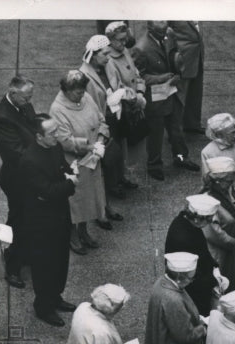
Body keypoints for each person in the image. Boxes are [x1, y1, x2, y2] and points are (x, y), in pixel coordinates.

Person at [18, 116, 78, 327]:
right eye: (52, 133)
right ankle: (43, 306)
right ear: (39, 137)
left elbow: (62, 170)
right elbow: (48, 191)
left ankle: (56, 297)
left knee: (60, 261)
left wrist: (69, 174)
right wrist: (70, 184)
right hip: (41, 224)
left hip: (59, 216)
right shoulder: (29, 161)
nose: (57, 135)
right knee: (45, 265)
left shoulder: (54, 147)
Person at [49, 69, 110, 254]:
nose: (82, 94)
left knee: (90, 200)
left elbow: (101, 119)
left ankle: (84, 231)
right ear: (67, 91)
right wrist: (91, 146)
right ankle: (73, 236)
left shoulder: (86, 98)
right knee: (75, 203)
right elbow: (65, 140)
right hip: (75, 163)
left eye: (83, 90)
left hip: (93, 159)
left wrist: (100, 139)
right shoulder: (57, 109)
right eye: (78, 92)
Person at [133, 20, 197, 180]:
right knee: (156, 133)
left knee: (176, 129)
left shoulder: (168, 33)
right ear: (150, 29)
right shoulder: (140, 49)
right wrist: (162, 78)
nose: (164, 35)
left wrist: (177, 64)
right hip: (156, 95)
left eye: (165, 31)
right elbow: (138, 77)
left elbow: (173, 51)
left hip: (172, 90)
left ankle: (181, 158)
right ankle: (154, 165)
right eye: (160, 33)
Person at [0, 75, 38, 288]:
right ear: (13, 93)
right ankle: (12, 267)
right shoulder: (3, 117)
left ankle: (22, 254)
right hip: (17, 179)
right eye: (26, 97)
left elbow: (34, 126)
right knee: (19, 222)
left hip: (27, 175)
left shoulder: (22, 105)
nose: (29, 101)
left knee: (26, 220)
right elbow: (15, 153)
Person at [80, 34, 126, 217]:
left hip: (108, 122)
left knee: (107, 170)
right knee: (100, 173)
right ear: (94, 54)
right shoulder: (86, 76)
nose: (108, 57)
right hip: (98, 129)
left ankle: (104, 208)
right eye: (105, 54)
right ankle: (102, 211)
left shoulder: (102, 68)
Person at [103, 21, 146, 195]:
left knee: (124, 147)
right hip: (120, 110)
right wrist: (137, 99)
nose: (123, 43)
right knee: (117, 147)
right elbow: (117, 88)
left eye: (125, 39)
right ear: (110, 40)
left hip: (132, 105)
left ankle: (121, 177)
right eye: (120, 40)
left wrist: (141, 91)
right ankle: (114, 183)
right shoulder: (109, 60)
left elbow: (136, 74)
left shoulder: (124, 51)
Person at [165, 192, 221, 316]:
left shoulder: (186, 223)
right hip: (193, 291)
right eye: (209, 219)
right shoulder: (183, 238)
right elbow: (193, 277)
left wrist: (213, 264)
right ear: (197, 218)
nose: (211, 222)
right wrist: (214, 281)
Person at [201, 113, 235, 202]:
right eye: (232, 133)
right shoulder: (207, 152)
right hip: (223, 201)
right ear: (219, 135)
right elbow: (208, 183)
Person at [168, 22, 204, 133]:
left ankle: (191, 124)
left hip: (196, 54)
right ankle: (174, 131)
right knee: (179, 95)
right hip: (182, 58)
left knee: (195, 92)